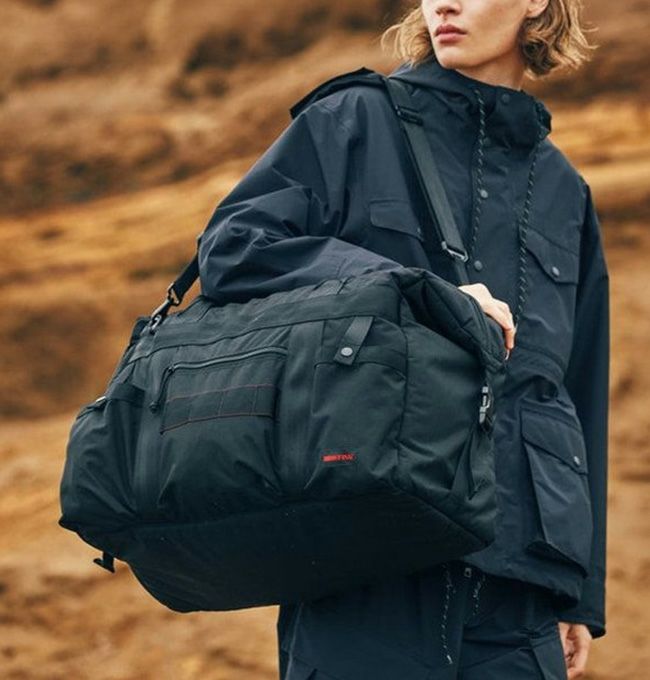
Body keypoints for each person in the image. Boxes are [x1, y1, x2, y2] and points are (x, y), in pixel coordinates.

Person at [196, 1, 609, 678]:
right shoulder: (353, 120)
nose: (443, 3)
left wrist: (580, 592)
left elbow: (577, 388)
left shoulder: (566, 191)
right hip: (364, 564)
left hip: (519, 601)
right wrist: (415, 291)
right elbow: (234, 248)